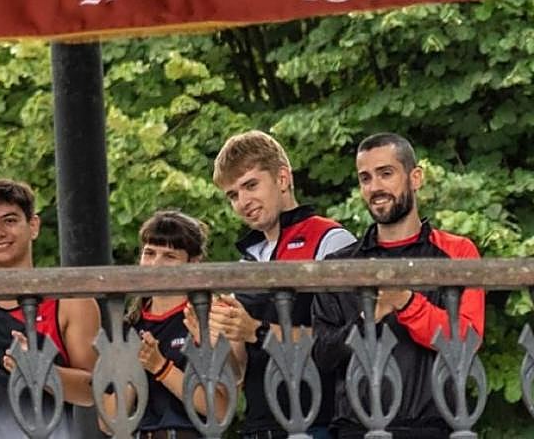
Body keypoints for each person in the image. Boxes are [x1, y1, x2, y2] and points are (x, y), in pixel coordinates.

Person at [312, 133, 484, 439]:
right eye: (365, 178)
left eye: (386, 173)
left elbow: (467, 341)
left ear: (415, 178)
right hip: (355, 429)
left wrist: (406, 303)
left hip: (434, 427)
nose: (375, 187)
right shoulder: (336, 265)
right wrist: (368, 319)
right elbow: (323, 355)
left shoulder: (457, 251)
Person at [206, 130, 355, 439]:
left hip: (320, 422)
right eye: (232, 195)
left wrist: (255, 331)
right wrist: (215, 335)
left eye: (250, 185)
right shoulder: (246, 261)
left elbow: (347, 341)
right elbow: (236, 373)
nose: (242, 202)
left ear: (283, 178)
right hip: (259, 426)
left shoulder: (331, 239)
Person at [0, 179, 100, 439]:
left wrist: (45, 372)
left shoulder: (70, 299)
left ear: (33, 226)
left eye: (9, 220)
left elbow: (94, 391)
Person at [102, 210, 228, 438]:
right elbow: (108, 420)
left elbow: (219, 409)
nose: (155, 264)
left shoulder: (208, 318)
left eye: (169, 256)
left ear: (194, 262)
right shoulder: (127, 326)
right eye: (149, 253)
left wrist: (161, 367)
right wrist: (133, 366)